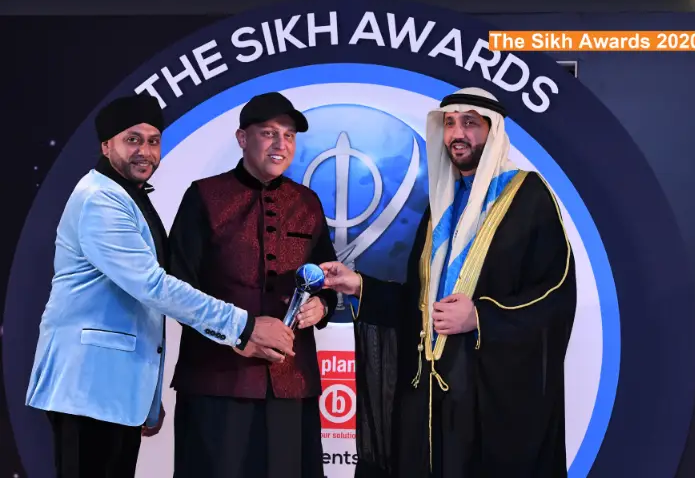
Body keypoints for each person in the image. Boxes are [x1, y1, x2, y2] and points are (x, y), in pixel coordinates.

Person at [25, 94, 294, 478]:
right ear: (106, 146)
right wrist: (245, 326)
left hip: (113, 393)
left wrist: (147, 398)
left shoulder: (126, 196)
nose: (146, 152)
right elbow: (153, 286)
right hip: (87, 389)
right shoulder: (100, 200)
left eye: (153, 141)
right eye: (132, 140)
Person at [321, 87, 577, 478]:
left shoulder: (529, 197)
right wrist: (359, 286)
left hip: (488, 394)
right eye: (450, 123)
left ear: (493, 132)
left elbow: (554, 294)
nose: (458, 134)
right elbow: (418, 303)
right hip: (427, 394)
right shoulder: (441, 205)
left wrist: (480, 317)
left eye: (470, 123)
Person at [168, 91, 338, 478]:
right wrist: (236, 333)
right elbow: (177, 286)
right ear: (242, 138)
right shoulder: (204, 196)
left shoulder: (308, 202)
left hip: (292, 383)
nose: (281, 144)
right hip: (216, 380)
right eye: (269, 133)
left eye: (289, 135)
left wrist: (323, 306)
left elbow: (326, 278)